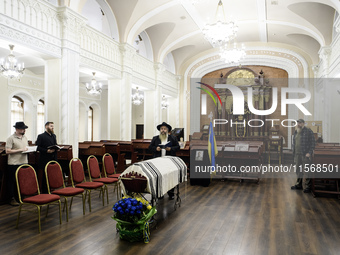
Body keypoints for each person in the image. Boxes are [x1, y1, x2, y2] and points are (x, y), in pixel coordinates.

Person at [149, 122, 180, 199]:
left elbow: (178, 147)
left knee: (170, 177)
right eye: (161, 129)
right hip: (158, 161)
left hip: (169, 161)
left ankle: (171, 193)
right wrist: (156, 149)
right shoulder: (155, 138)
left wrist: (171, 149)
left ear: (168, 130)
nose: (163, 130)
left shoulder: (173, 138)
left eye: (164, 129)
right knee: (159, 177)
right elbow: (150, 148)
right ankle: (160, 193)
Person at [5, 122, 29, 206]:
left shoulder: (25, 137)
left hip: (24, 162)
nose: (24, 130)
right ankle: (12, 198)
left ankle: (21, 197)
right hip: (14, 163)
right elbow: (7, 151)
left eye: (24, 129)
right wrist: (20, 150)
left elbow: (26, 148)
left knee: (21, 181)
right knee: (13, 182)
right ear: (17, 129)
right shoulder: (11, 138)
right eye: (22, 129)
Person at [291, 119, 315, 193]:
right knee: (298, 170)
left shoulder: (308, 131)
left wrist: (309, 153)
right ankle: (299, 185)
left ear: (304, 123)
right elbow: (294, 143)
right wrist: (293, 152)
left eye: (300, 123)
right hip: (297, 154)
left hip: (305, 155)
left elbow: (313, 143)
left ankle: (308, 186)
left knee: (307, 170)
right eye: (298, 123)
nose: (299, 124)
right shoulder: (296, 131)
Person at [36, 121, 58, 193]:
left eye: (53, 126)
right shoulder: (41, 136)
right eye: (51, 126)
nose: (53, 127)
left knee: (51, 174)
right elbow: (38, 147)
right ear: (46, 127)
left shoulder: (54, 136)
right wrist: (46, 151)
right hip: (45, 158)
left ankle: (51, 189)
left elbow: (55, 144)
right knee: (45, 176)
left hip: (53, 157)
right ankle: (45, 191)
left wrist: (57, 148)